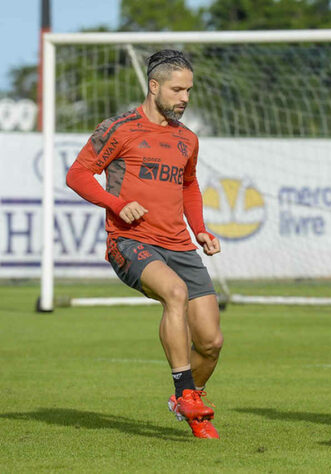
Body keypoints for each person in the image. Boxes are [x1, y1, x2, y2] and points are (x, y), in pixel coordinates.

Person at [66, 50, 223, 439]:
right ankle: (185, 393)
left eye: (189, 89)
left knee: (211, 341)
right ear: (154, 87)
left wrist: (199, 228)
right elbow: (78, 174)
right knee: (175, 292)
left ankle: (189, 399)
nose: (185, 97)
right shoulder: (120, 128)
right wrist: (117, 204)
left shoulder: (187, 138)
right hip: (130, 240)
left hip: (180, 244)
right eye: (177, 89)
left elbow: (188, 185)